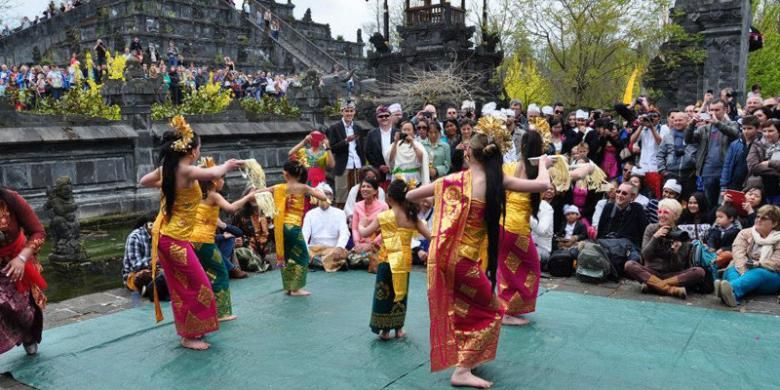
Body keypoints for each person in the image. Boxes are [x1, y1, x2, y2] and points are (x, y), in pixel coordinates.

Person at [407, 124, 551, 388]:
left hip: (445, 258)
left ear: (468, 155)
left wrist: (436, 200)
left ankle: (467, 358)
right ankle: (462, 370)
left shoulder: (449, 182)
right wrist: (542, 162)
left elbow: (410, 195)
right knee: (492, 310)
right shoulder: (497, 179)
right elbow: (543, 184)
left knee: (468, 307)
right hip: (465, 262)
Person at [139, 115, 243, 350]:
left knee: (189, 285)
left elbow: (144, 180)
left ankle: (192, 332)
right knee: (198, 284)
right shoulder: (185, 170)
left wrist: (166, 182)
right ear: (192, 151)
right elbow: (214, 174)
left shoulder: (170, 169)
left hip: (169, 237)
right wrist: (228, 165)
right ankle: (189, 335)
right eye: (199, 148)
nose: (199, 152)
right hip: (173, 239)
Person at [359, 179, 431, 340]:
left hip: (386, 260)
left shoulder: (384, 216)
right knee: (400, 294)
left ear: (389, 198)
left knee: (384, 294)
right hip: (404, 262)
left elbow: (364, 233)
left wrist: (361, 224)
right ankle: (399, 329)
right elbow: (431, 237)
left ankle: (384, 331)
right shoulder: (413, 218)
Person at [191, 157, 258, 321]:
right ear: (213, 182)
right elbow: (231, 208)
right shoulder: (214, 196)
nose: (223, 181)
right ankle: (221, 313)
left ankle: (208, 308)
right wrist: (247, 198)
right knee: (220, 272)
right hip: (205, 241)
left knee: (209, 273)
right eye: (221, 178)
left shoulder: (196, 194)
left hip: (193, 241)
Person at [498, 131, 552, 326]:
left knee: (508, 267)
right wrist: (544, 165)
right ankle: (506, 311)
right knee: (530, 267)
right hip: (515, 227)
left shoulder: (509, 166)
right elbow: (543, 184)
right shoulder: (536, 173)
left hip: (503, 224)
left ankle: (508, 308)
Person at [260, 160, 328, 296]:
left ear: (286, 174)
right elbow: (323, 197)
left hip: (281, 228)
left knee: (288, 256)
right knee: (302, 256)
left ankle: (289, 286)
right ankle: (296, 288)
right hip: (293, 228)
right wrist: (316, 190)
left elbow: (261, 192)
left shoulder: (279, 187)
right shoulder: (303, 187)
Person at [624, 199, 705, 299]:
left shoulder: (682, 235)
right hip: (651, 271)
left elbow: (678, 266)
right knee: (629, 265)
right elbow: (645, 255)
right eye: (659, 212)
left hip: (672, 275)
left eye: (666, 212)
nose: (661, 215)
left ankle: (654, 285)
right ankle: (670, 289)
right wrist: (655, 238)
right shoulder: (651, 228)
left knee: (699, 272)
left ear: (675, 216)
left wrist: (675, 252)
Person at [0, 187, 47, 356]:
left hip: (15, 263)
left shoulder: (11, 199)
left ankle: (28, 334)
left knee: (20, 310)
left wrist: (21, 258)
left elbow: (38, 232)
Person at [717, 205, 780, 307]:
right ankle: (731, 295)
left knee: (758, 273)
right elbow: (738, 254)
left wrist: (759, 264)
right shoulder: (745, 233)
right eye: (757, 217)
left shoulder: (778, 238)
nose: (758, 220)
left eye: (764, 218)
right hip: (741, 268)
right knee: (732, 269)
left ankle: (728, 290)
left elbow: (777, 262)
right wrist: (745, 273)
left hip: (770, 276)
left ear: (774, 223)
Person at [686, 100, 739, 209]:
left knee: (723, 204)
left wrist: (717, 123)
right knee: (709, 203)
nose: (713, 113)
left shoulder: (732, 124)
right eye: (711, 110)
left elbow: (734, 134)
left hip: (725, 171)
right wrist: (691, 124)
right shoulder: (704, 128)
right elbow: (688, 140)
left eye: (717, 110)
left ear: (725, 110)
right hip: (708, 171)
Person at [303, 183, 350, 272]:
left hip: (332, 249)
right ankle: (328, 263)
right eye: (321, 193)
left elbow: (345, 233)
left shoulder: (340, 213)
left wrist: (339, 247)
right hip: (314, 249)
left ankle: (317, 263)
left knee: (342, 253)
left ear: (332, 197)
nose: (324, 196)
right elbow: (304, 234)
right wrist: (305, 250)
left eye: (327, 194)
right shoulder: (310, 214)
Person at [596, 182, 648, 262]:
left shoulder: (637, 209)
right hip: (607, 245)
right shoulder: (608, 207)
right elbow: (601, 232)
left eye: (624, 193)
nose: (619, 195)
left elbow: (644, 232)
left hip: (627, 248)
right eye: (618, 191)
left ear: (632, 197)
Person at [327, 101, 365, 207]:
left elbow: (361, 148)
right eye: (346, 111)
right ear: (342, 112)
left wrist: (363, 165)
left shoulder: (357, 128)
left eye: (351, 111)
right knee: (342, 195)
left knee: (358, 195)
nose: (349, 113)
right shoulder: (334, 128)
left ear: (354, 112)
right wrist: (345, 141)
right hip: (343, 166)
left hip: (357, 165)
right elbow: (332, 148)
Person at [122, 212, 166, 299]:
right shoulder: (135, 237)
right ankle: (149, 288)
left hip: (156, 270)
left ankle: (151, 288)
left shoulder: (162, 235)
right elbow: (135, 265)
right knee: (143, 276)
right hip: (135, 274)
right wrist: (154, 261)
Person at [349, 178, 388, 271]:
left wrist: (372, 244)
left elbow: (386, 230)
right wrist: (357, 243)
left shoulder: (383, 206)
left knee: (375, 258)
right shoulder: (357, 205)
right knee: (348, 257)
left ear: (375, 191)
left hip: (377, 246)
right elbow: (354, 228)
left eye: (368, 187)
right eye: (363, 186)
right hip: (361, 246)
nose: (364, 189)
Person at [721, 115, 761, 191]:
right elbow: (727, 165)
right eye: (744, 128)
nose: (746, 131)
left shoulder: (761, 144)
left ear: (757, 128)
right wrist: (724, 186)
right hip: (734, 183)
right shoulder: (735, 144)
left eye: (749, 128)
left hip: (752, 185)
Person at [747, 119, 780, 205]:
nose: (767, 134)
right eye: (764, 131)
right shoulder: (757, 145)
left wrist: (770, 163)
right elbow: (753, 167)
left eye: (771, 131)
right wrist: (776, 173)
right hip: (761, 188)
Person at [365, 106, 397, 185]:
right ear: (377, 118)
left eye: (386, 116)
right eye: (381, 116)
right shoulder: (371, 134)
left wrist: (392, 167)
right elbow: (368, 152)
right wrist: (379, 166)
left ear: (391, 117)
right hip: (378, 172)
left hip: (396, 171)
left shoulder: (398, 133)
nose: (384, 118)